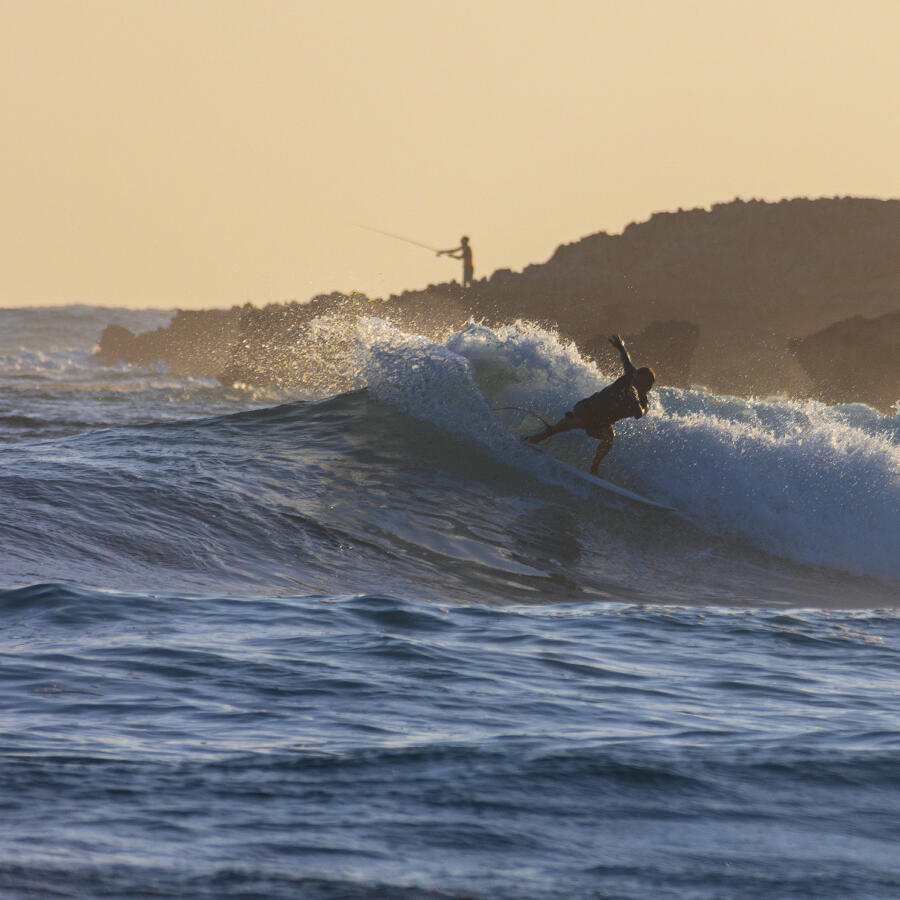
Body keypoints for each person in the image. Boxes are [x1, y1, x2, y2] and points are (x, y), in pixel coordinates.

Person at [526, 335, 656, 474]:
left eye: (640, 384)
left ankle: (594, 468)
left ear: (647, 388)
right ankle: (537, 437)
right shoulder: (629, 375)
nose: (635, 384)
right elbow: (626, 361)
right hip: (588, 408)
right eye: (635, 380)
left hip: (601, 424)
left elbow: (639, 414)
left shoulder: (643, 402)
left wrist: (635, 399)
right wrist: (621, 347)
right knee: (575, 423)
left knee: (609, 438)